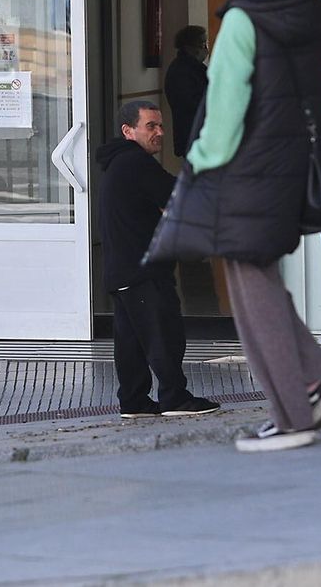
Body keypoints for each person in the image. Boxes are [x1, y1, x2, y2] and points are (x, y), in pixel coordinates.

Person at [148, 0, 321, 452]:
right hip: (289, 165)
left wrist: (195, 169)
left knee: (249, 288)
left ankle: (293, 414)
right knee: (260, 279)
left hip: (246, 169)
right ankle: (312, 381)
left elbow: (226, 110)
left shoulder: (242, 17)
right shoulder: (304, 7)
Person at [97, 99, 222, 419]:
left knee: (131, 341)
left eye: (161, 125)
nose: (160, 132)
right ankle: (174, 397)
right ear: (129, 131)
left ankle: (134, 401)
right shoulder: (136, 163)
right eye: (150, 126)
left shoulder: (117, 163)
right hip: (143, 269)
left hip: (121, 270)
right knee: (163, 333)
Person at [164, 25, 210, 157]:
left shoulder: (193, 68)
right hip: (193, 135)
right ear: (190, 47)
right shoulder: (182, 71)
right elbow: (193, 103)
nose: (205, 49)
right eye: (202, 44)